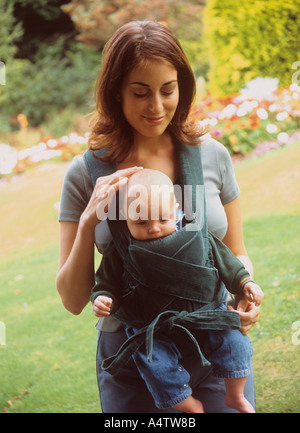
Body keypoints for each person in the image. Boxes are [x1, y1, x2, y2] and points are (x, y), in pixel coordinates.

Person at [56, 20, 262, 413]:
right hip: (138, 357)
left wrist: (245, 295)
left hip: (214, 341)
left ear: (182, 86)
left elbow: (235, 251)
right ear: (116, 92)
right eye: (140, 93)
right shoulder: (85, 175)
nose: (156, 106)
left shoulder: (212, 156)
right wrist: (87, 224)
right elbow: (73, 300)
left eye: (167, 90)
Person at [91, 168, 263, 413]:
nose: (154, 228)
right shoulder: (121, 249)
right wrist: (103, 298)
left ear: (177, 210)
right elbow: (105, 282)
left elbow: (227, 262)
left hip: (206, 315)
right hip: (153, 328)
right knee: (154, 364)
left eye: (163, 219)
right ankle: (189, 405)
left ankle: (235, 394)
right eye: (141, 222)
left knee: (235, 341)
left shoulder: (195, 235)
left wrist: (246, 283)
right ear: (124, 218)